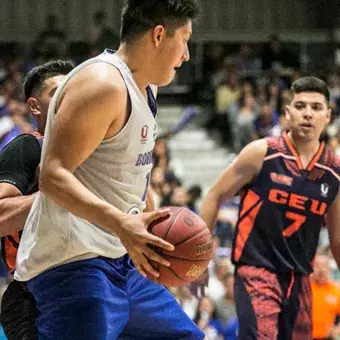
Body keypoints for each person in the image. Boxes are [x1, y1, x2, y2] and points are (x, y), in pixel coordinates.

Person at [15, 1, 206, 339]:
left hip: (118, 258)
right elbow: (52, 176)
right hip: (73, 263)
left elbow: (122, 171)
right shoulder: (103, 84)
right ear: (159, 35)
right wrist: (122, 223)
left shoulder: (145, 86)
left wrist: (150, 225)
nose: (187, 55)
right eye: (186, 39)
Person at [200, 76, 340, 339]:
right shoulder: (261, 153)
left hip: (299, 278)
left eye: (316, 107)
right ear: (287, 113)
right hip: (256, 270)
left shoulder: (333, 173)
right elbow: (215, 195)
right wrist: (199, 255)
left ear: (328, 116)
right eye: (300, 106)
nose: (307, 113)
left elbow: (337, 237)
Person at [0, 60, 74, 340]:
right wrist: (64, 193)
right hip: (36, 292)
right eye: (57, 92)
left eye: (74, 90)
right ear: (34, 106)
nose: (68, 97)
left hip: (99, 278)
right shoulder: (28, 146)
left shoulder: (98, 151)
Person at [311, 254, 340, 340]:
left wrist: (337, 329)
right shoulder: (304, 289)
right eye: (318, 266)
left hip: (327, 337)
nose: (321, 270)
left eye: (324, 266)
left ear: (329, 269)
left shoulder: (336, 290)